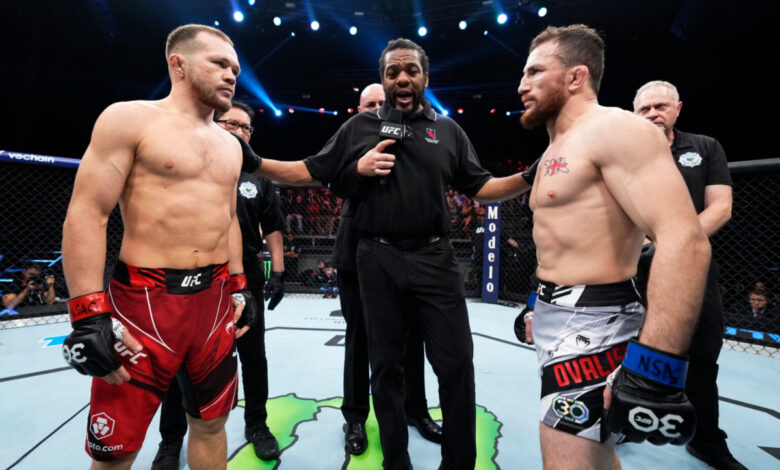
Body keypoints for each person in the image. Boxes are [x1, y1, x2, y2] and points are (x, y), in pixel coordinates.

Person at [244, 39, 535, 470]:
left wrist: (531, 175)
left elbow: (484, 188)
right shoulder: (359, 128)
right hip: (375, 259)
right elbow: (308, 171)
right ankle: (395, 462)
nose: (401, 78)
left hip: (435, 260)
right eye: (392, 71)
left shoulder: (449, 130)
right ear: (384, 78)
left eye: (410, 71)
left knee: (456, 365)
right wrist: (251, 160)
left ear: (424, 78)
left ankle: (459, 464)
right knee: (385, 369)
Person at [60, 24, 257, 470]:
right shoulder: (129, 119)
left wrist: (241, 285)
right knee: (117, 449)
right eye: (220, 64)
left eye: (236, 69)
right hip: (143, 304)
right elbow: (89, 211)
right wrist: (88, 315)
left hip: (213, 302)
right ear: (178, 64)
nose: (231, 75)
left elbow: (228, 219)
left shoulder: (231, 145)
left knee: (212, 422)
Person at [514, 25, 710, 470]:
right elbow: (562, 242)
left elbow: (685, 240)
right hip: (557, 318)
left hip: (593, 328)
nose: (522, 85)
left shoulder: (616, 129)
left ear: (576, 76)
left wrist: (652, 367)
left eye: (535, 72)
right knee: (597, 455)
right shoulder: (554, 149)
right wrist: (536, 304)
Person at [150, 100, 286, 469]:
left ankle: (257, 425)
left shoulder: (258, 178)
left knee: (253, 356)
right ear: (215, 123)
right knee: (182, 361)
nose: (239, 131)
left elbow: (273, 227)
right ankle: (171, 440)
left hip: (247, 279)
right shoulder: (194, 166)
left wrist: (279, 271)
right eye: (231, 123)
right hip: (195, 277)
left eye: (245, 127)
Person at [633, 80, 744, 470]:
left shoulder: (704, 147)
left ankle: (705, 439)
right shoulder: (622, 155)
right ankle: (623, 421)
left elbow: (721, 207)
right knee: (625, 344)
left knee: (701, 353)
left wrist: (672, 242)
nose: (652, 114)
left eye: (660, 106)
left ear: (678, 108)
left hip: (691, 265)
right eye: (644, 109)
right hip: (633, 264)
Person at [336, 83, 444, 457]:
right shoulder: (353, 136)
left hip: (411, 255)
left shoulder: (414, 137)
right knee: (360, 338)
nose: (379, 108)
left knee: (413, 337)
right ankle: (354, 417)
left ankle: (415, 409)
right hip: (358, 253)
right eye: (371, 104)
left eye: (383, 103)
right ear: (359, 109)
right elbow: (330, 176)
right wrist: (359, 168)